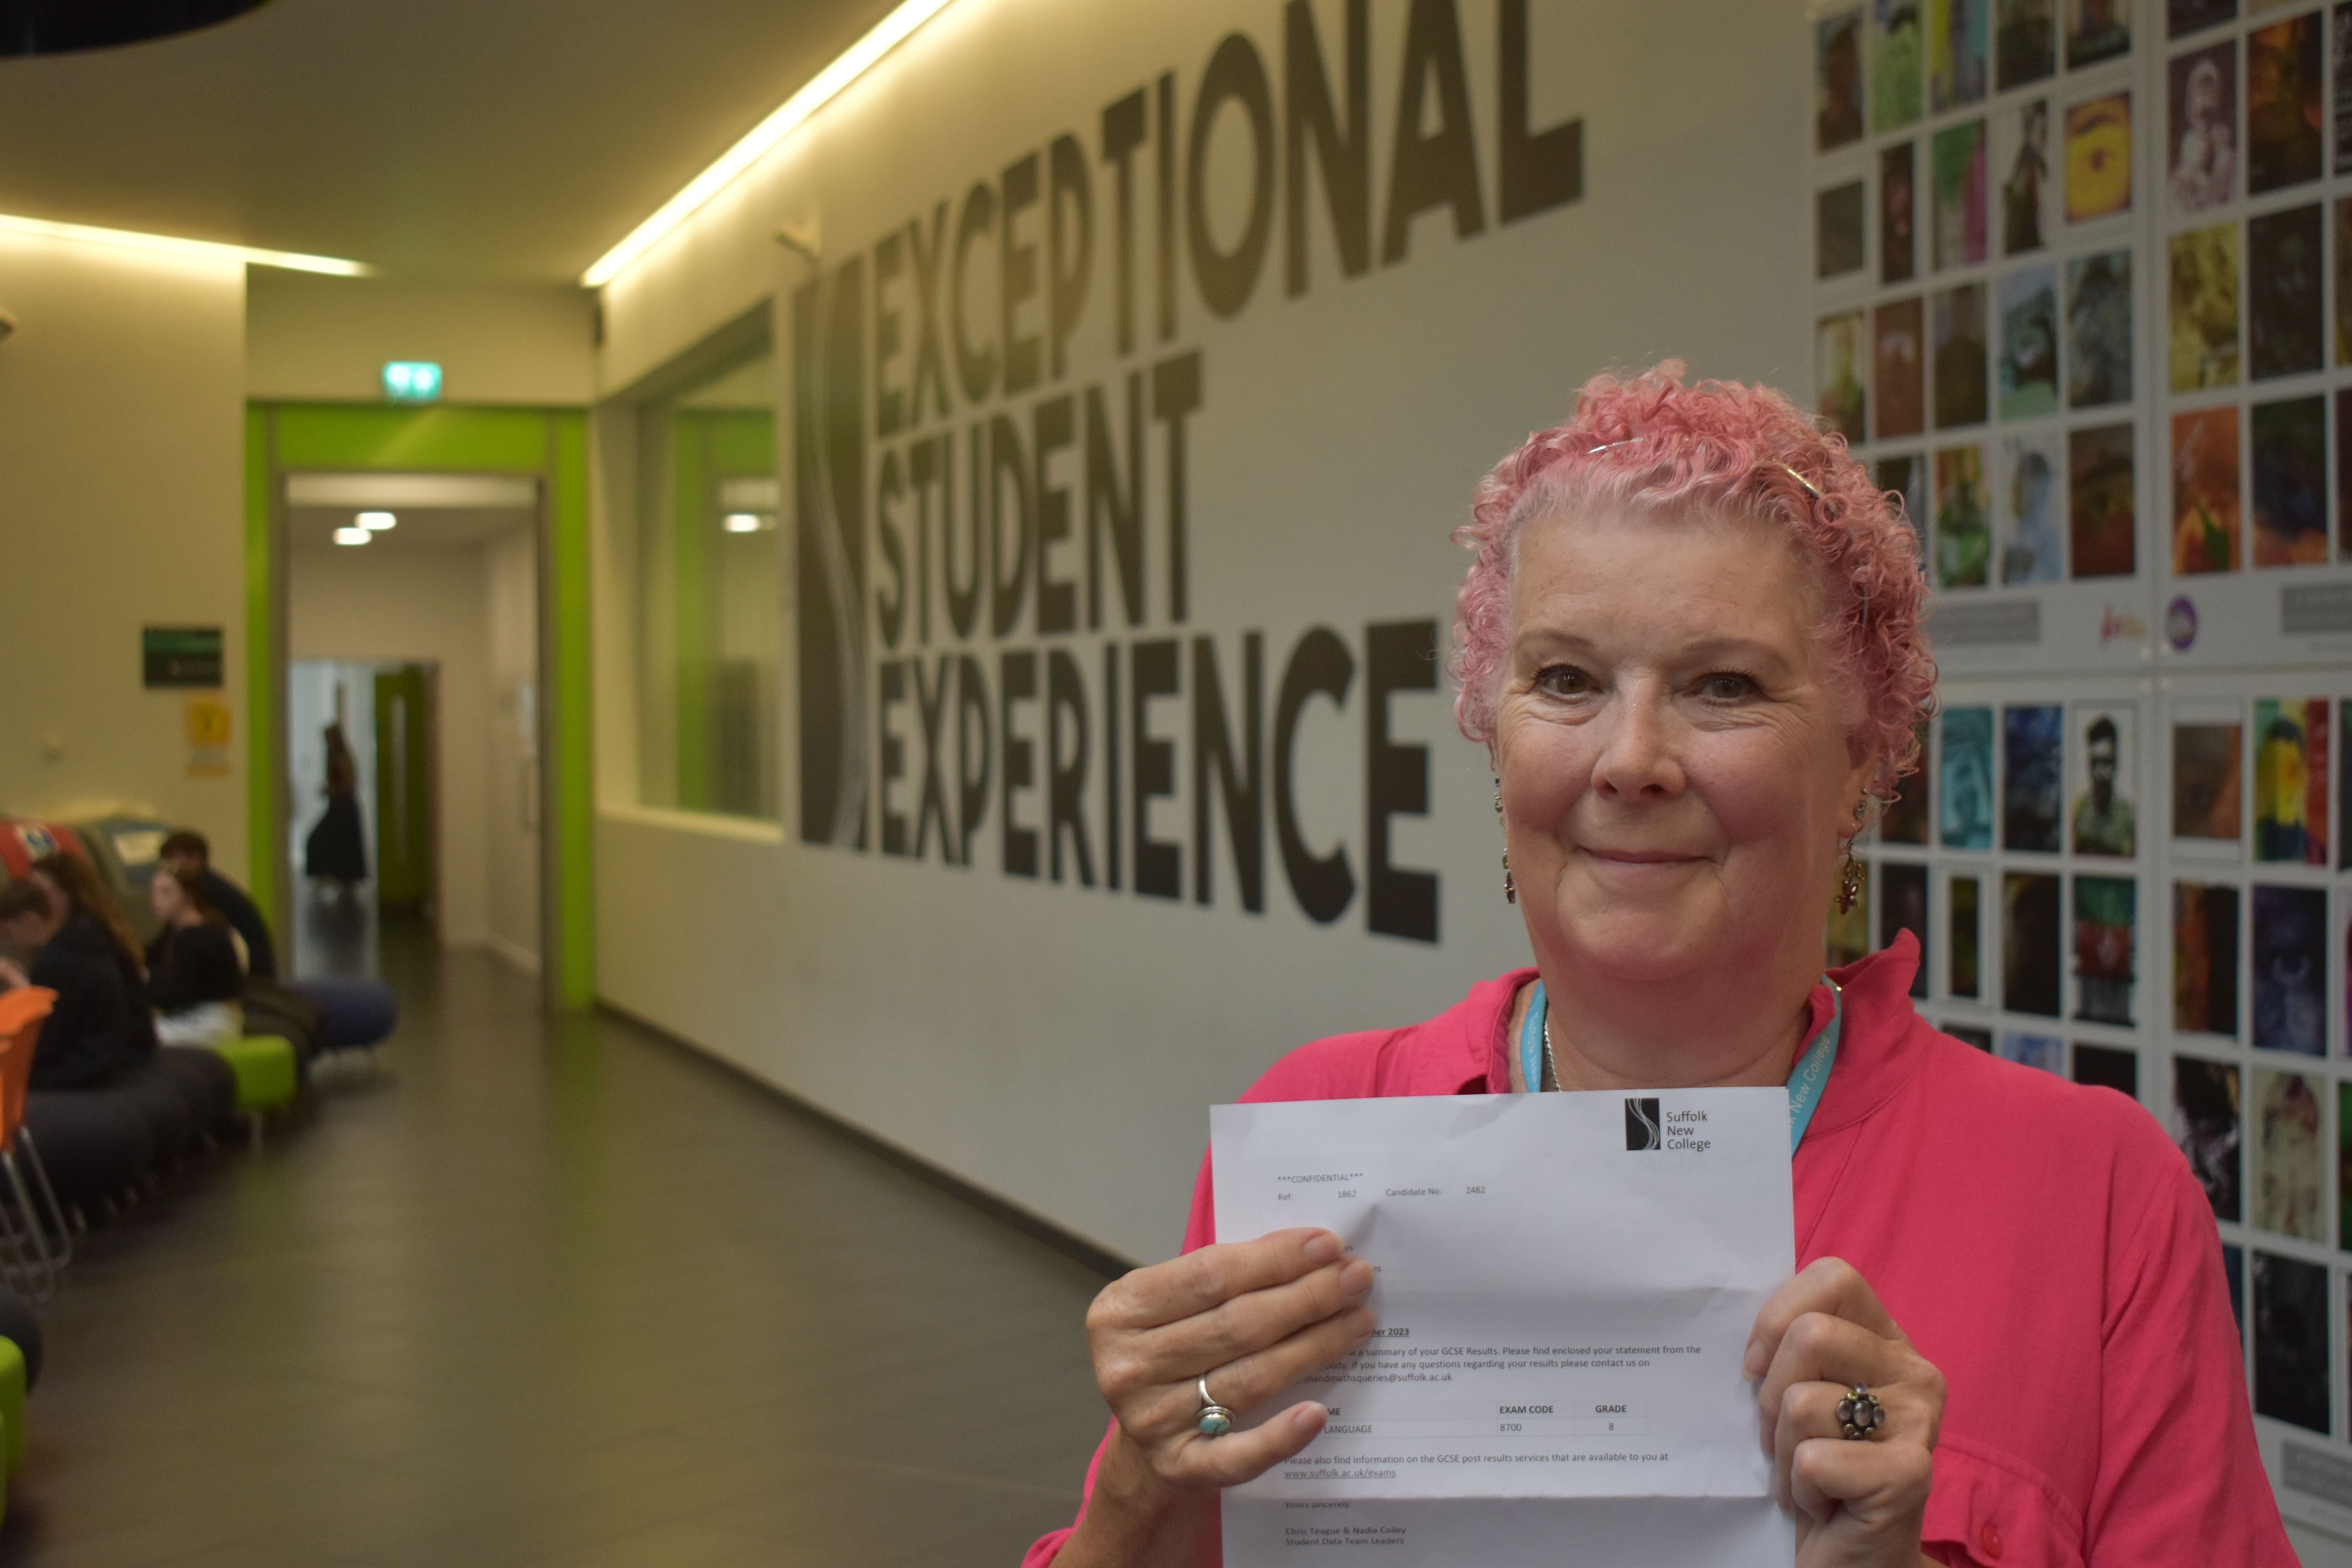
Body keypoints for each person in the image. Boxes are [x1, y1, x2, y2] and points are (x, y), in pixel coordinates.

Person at [1028, 365, 2291, 1566]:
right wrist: (1140, 1500)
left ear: (1862, 757)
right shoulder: (1317, 1127)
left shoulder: (2091, 1201)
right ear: (1494, 733)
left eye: (1721, 685)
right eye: (1566, 677)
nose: (1630, 758)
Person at [0, 880, 132, 1090]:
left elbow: (44, 1043)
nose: (9, 943)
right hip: (102, 1062)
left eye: (8, 933)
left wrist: (16, 988)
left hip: (83, 1073)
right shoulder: (82, 942)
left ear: (30, 921)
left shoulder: (56, 964)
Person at [160, 829, 276, 981]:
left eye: (174, 859)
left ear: (196, 860)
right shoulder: (212, 885)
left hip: (254, 972)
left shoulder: (208, 892)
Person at [146, 867, 243, 1046]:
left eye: (166, 892)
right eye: (154, 891)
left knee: (139, 1037)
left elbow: (176, 993)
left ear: (188, 896)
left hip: (213, 1021)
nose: (156, 900)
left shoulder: (199, 936)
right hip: (195, 1017)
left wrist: (145, 978)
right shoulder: (172, 933)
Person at [305, 721, 368, 897]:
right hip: (339, 807)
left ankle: (340, 878)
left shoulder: (342, 758)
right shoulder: (337, 757)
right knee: (334, 844)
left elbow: (347, 785)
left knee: (329, 842)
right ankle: (335, 877)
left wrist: (330, 791)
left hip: (343, 808)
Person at [2170, 56, 2234, 212]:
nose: (2205, 100)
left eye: (2210, 93)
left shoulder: (2225, 146)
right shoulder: (2189, 142)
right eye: (2201, 92)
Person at [2071, 715, 2134, 855]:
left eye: (2106, 763)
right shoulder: (2078, 811)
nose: (2099, 773)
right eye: (2095, 763)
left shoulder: (2128, 818)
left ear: (2116, 763)